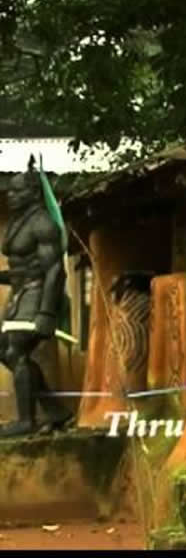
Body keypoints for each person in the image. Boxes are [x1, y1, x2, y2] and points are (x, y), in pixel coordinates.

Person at [0, 160, 74, 436]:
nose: (10, 195)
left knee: (16, 350)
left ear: (32, 193)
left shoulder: (43, 223)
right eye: (10, 191)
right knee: (3, 349)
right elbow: (21, 269)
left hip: (37, 295)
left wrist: (46, 312)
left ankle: (26, 420)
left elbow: (55, 269)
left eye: (16, 191)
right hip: (20, 295)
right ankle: (56, 411)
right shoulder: (22, 221)